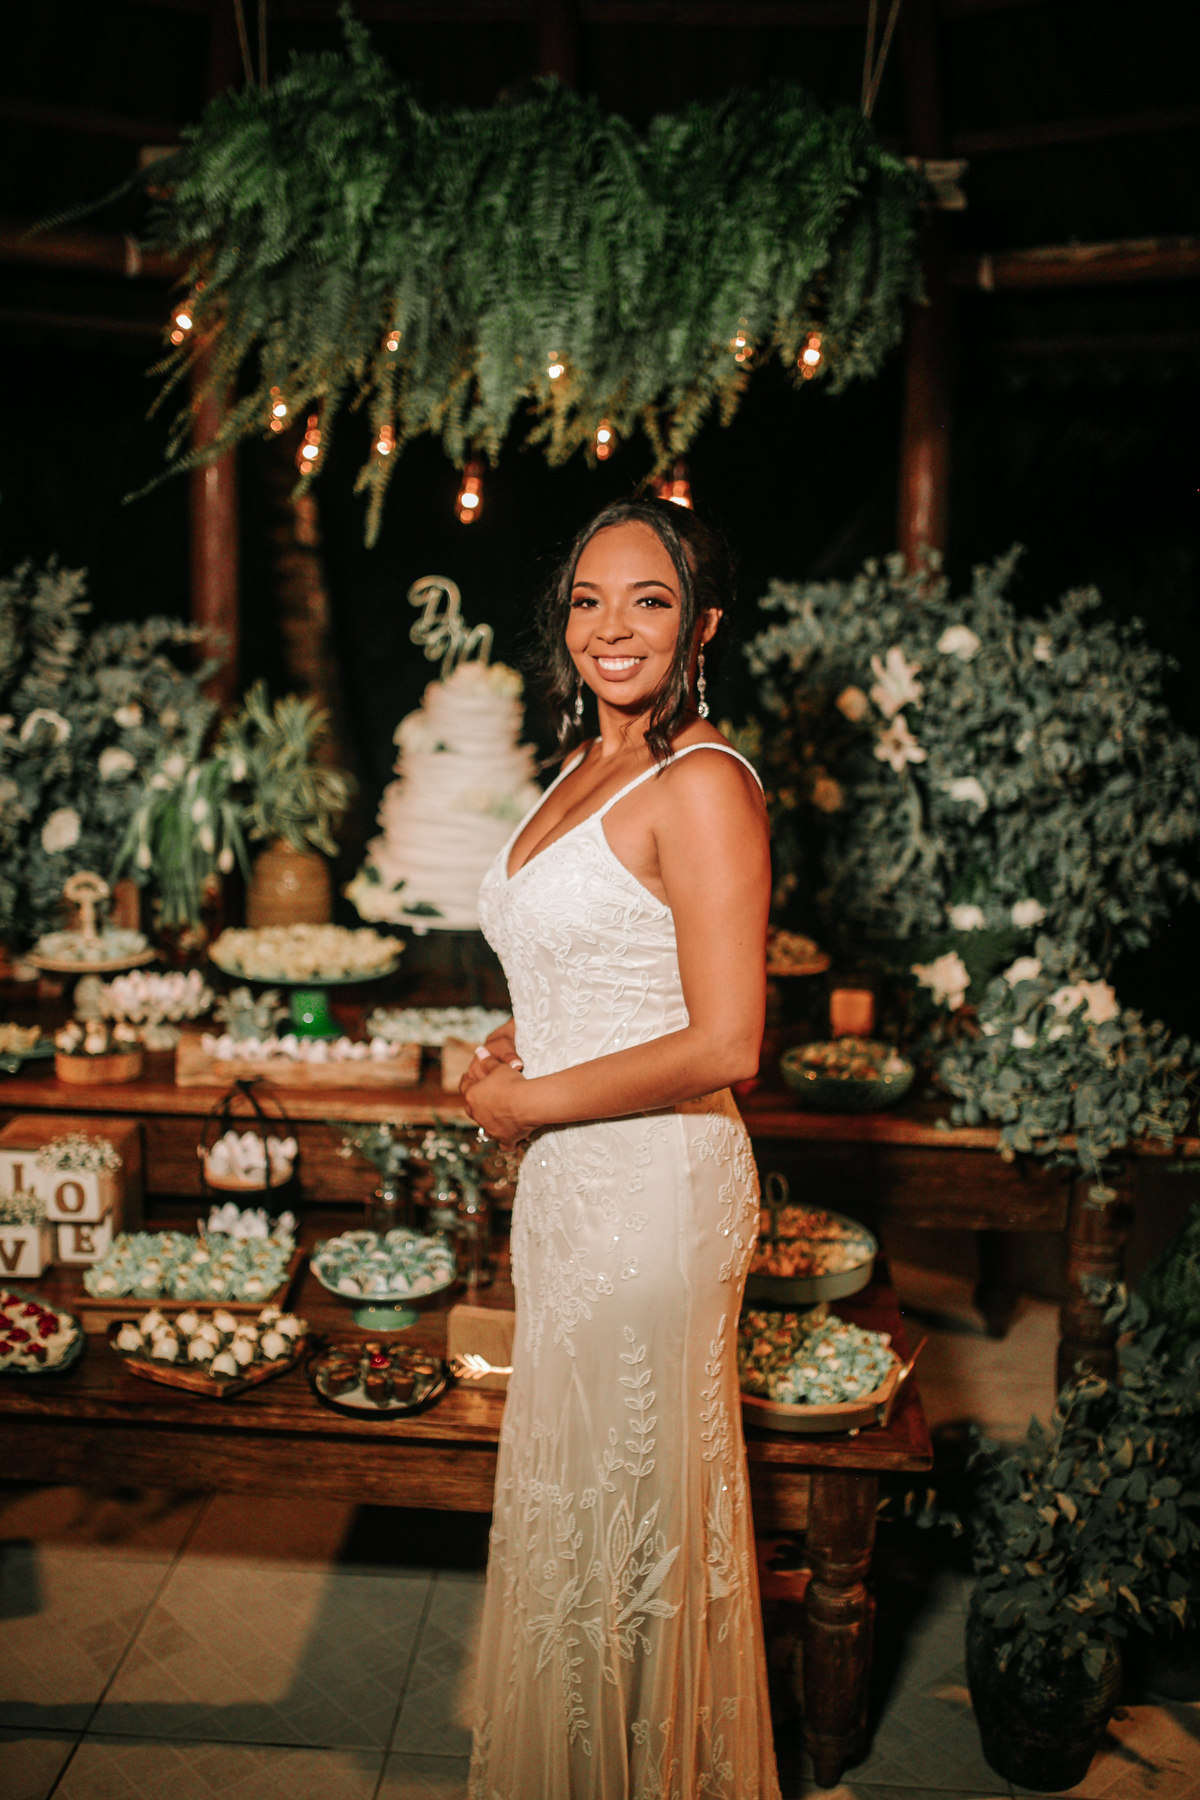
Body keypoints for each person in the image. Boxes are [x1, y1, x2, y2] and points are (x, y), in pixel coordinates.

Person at [461, 497, 780, 1800]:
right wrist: (513, 1038)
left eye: (647, 601)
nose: (612, 627)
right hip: (574, 1197)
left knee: (636, 1526)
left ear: (700, 626)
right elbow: (597, 960)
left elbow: (725, 1043)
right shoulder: (588, 765)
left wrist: (531, 1104)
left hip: (655, 1197)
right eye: (590, 600)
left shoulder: (700, 781)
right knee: (579, 1514)